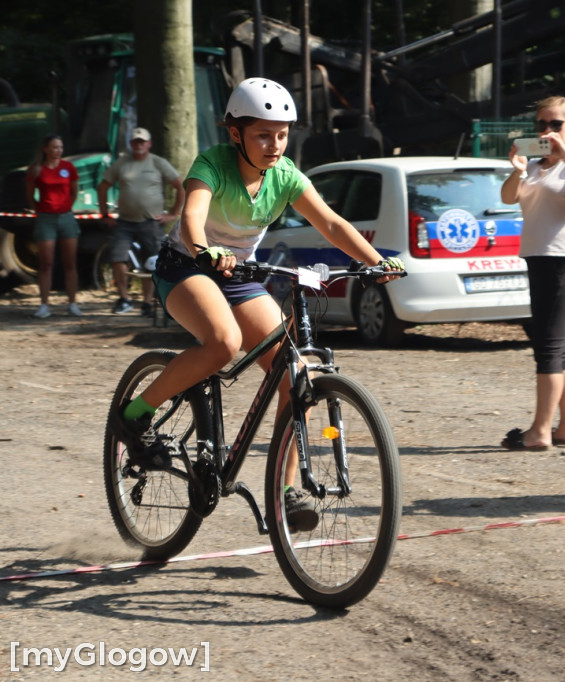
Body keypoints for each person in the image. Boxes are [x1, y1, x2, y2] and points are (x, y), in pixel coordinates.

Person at [109, 78, 402, 529]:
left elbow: (330, 222)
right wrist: (205, 248)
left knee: (295, 371)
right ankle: (135, 413)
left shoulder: (284, 175)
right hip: (188, 267)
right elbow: (192, 215)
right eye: (263, 134)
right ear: (235, 133)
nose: (275, 144)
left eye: (282, 134)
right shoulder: (213, 164)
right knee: (223, 343)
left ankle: (286, 491)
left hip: (240, 275)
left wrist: (376, 261)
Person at [498, 95, 565, 451]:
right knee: (557, 347)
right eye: (541, 125)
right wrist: (517, 169)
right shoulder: (536, 165)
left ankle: (539, 431)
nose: (547, 131)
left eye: (555, 124)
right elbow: (509, 197)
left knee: (547, 346)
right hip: (540, 259)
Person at [98, 127, 185, 316]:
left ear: (149, 144)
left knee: (153, 261)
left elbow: (179, 185)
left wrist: (173, 213)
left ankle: (147, 302)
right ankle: (124, 298)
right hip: (124, 222)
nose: (139, 144)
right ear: (131, 144)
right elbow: (103, 186)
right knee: (117, 257)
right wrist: (104, 214)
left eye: (142, 141)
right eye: (135, 141)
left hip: (151, 222)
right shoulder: (121, 163)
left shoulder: (157, 162)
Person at [24, 134, 81, 319]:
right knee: (46, 263)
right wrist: (41, 210)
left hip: (66, 218)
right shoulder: (36, 170)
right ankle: (44, 305)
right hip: (45, 219)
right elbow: (30, 196)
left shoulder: (68, 167)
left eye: (60, 147)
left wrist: (65, 208)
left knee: (70, 262)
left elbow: (74, 192)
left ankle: (73, 303)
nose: (58, 151)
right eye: (55, 147)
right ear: (46, 149)